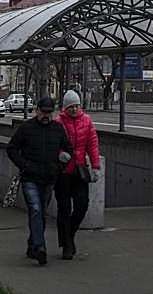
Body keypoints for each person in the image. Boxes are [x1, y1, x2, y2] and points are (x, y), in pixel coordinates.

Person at [6, 96, 72, 265]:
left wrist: (59, 166)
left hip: (49, 178)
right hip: (30, 177)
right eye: (43, 112)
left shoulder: (57, 129)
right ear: (37, 111)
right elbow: (11, 148)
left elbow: (68, 150)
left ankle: (32, 245)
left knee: (41, 213)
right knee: (35, 209)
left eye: (49, 113)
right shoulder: (26, 128)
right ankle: (40, 247)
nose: (46, 116)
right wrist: (24, 165)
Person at [54, 89, 101, 260]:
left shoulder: (87, 121)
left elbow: (92, 145)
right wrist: (60, 154)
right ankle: (67, 245)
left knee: (82, 206)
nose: (74, 109)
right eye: (71, 107)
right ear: (65, 108)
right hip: (63, 173)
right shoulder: (58, 122)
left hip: (80, 171)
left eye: (76, 106)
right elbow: (53, 143)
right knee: (64, 208)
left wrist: (95, 167)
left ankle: (69, 235)